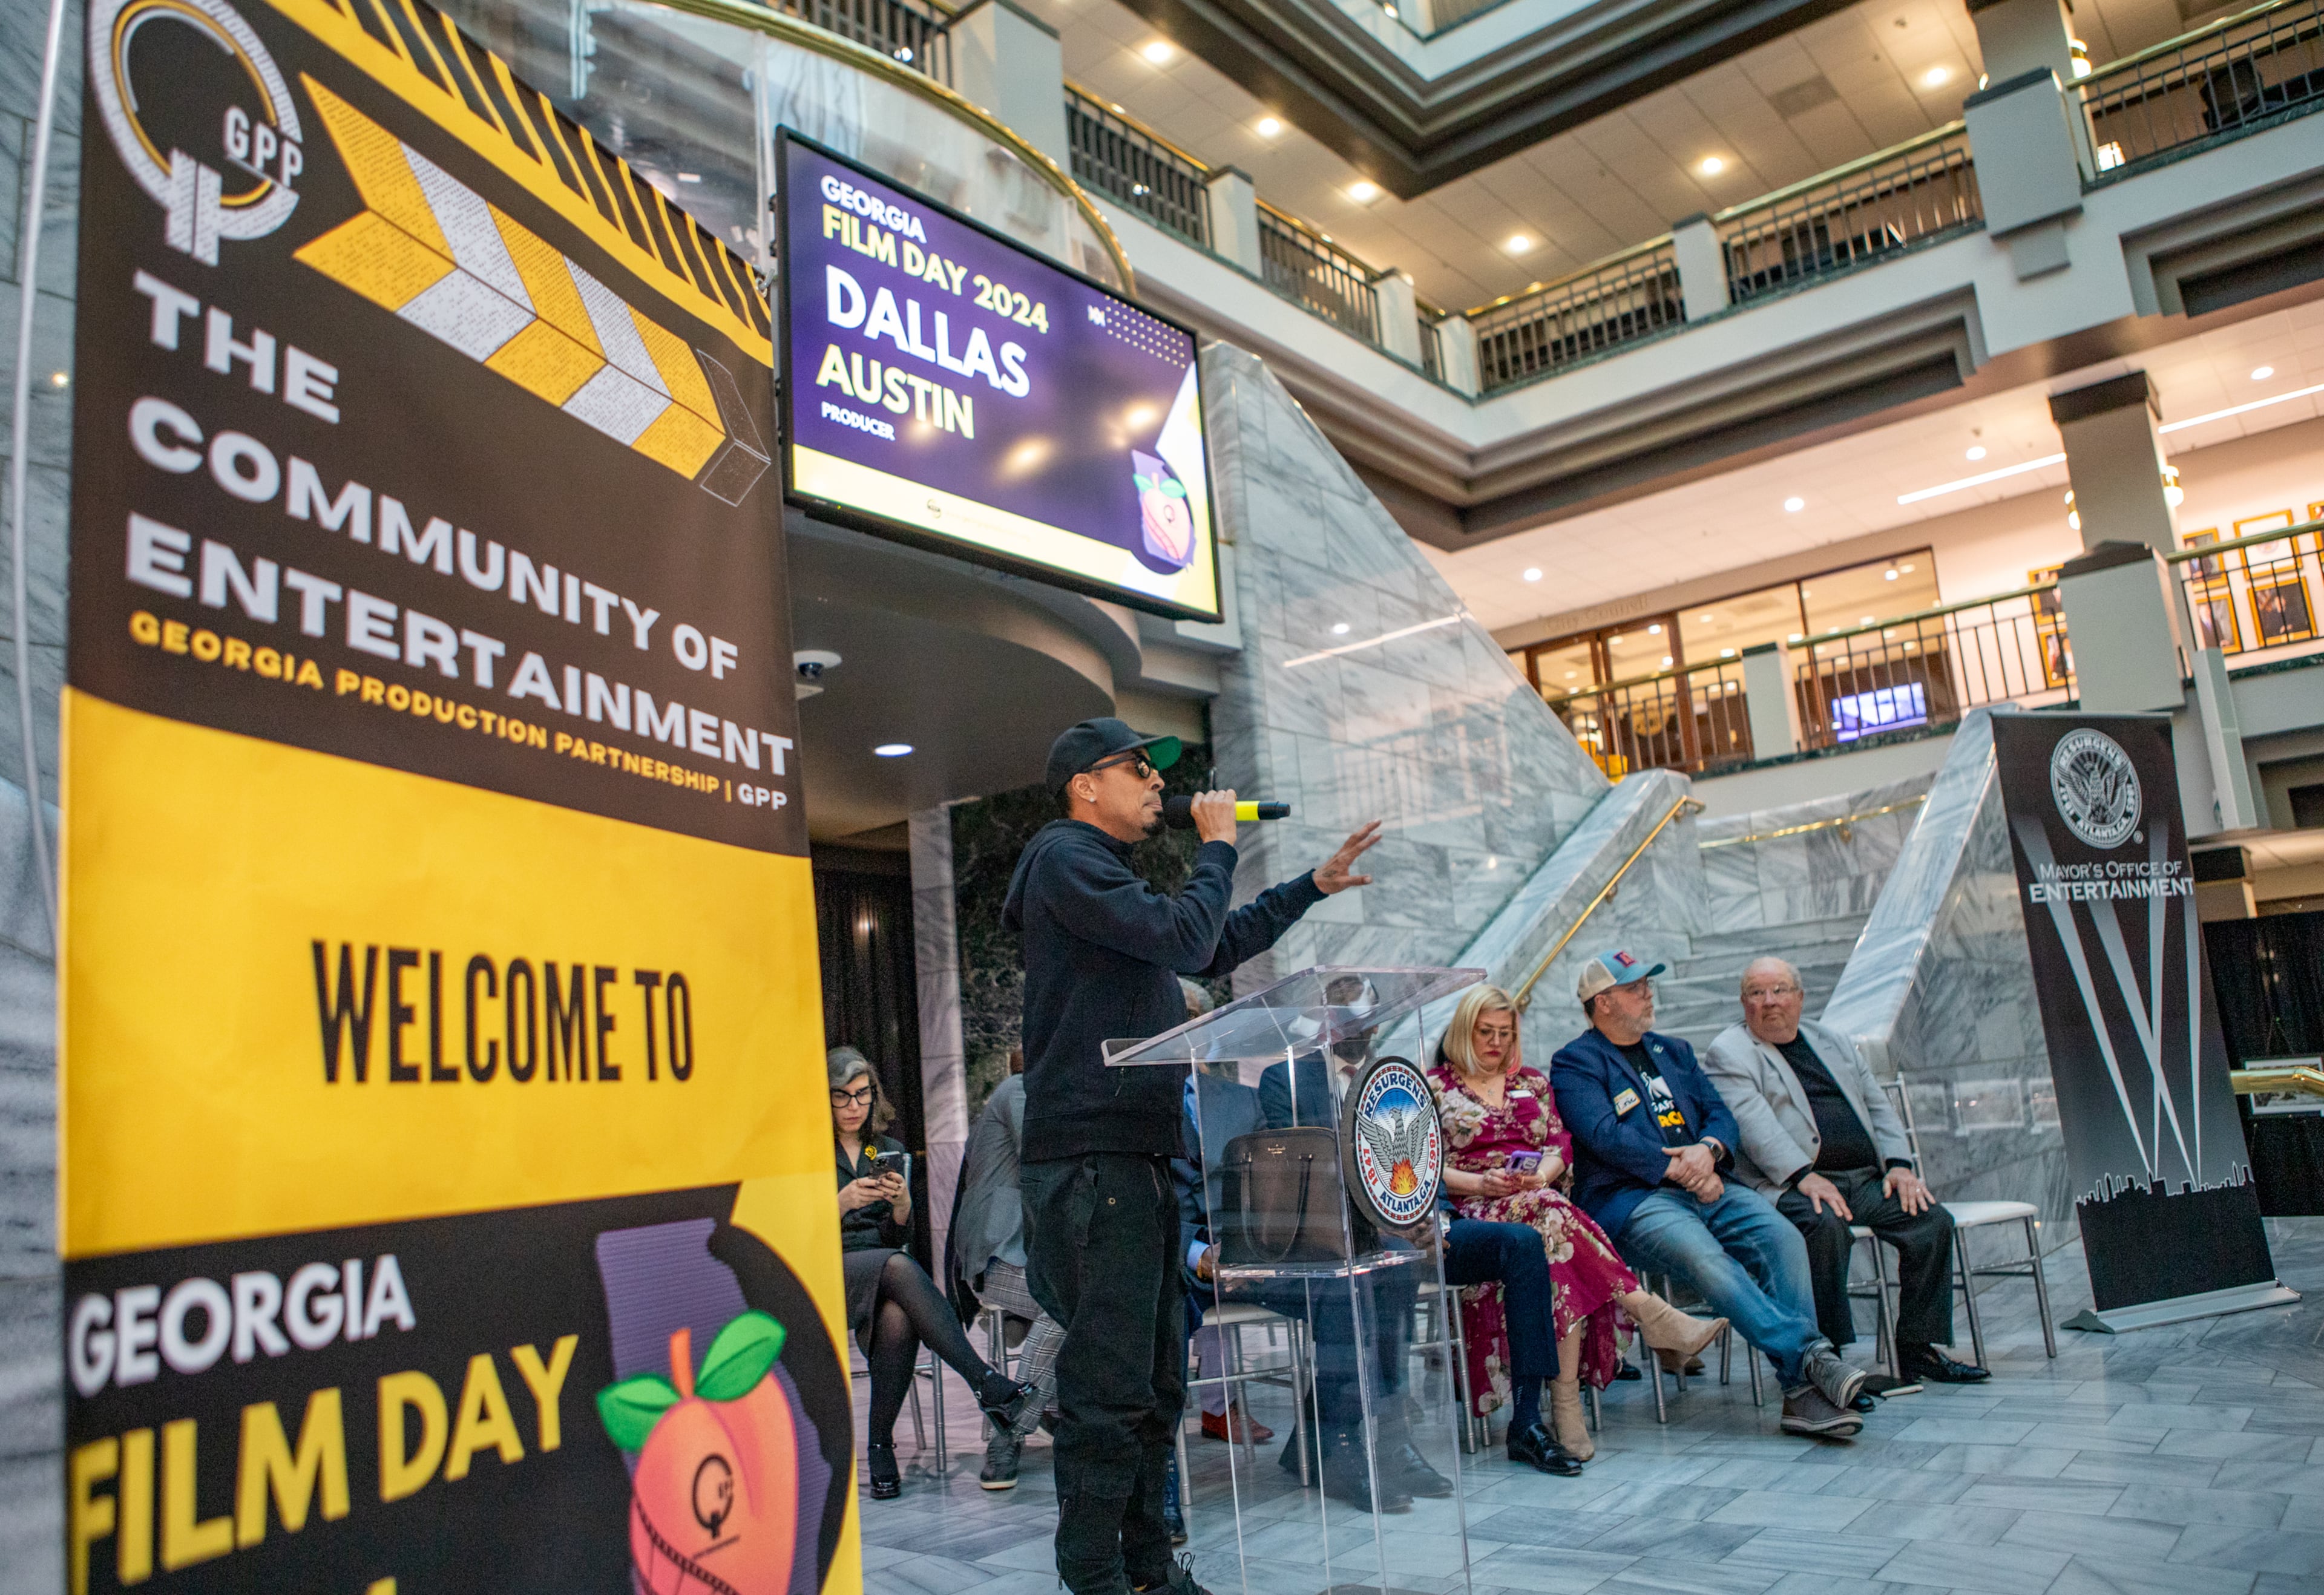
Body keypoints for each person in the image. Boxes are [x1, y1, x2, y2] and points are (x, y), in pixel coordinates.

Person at [1006, 717, 1381, 1595]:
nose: (1156, 783)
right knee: (1107, 1391)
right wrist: (1217, 847)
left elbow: (1207, 943)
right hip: (1092, 1159)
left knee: (1154, 1385)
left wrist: (1309, 887)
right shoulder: (1063, 857)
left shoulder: (1103, 876)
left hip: (1136, 1155)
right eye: (1138, 768)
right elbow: (1185, 935)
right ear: (1084, 785)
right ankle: (1094, 1576)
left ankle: (1149, 1571)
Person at [1549, 949, 1873, 1441]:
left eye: (1647, 985)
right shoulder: (1576, 1062)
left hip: (1711, 1185)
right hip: (1637, 1200)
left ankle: (1803, 1392)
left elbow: (1720, 1114)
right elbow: (1603, 1135)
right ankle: (1811, 1359)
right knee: (1706, 1259)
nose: (1648, 994)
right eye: (1635, 988)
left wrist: (1708, 1150)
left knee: (1784, 1238)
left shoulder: (1674, 1051)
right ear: (1604, 1002)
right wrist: (1680, 1169)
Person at [1256, 1030, 1589, 1482]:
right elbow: (1301, 1173)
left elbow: (1425, 1159)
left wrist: (1430, 1219)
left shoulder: (1395, 1078)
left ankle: (1528, 1422)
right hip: (1349, 1238)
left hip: (1423, 1223)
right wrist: (1387, 1227)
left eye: (1365, 1012)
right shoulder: (1289, 1080)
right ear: (1324, 1019)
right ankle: (1394, 1438)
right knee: (1397, 1261)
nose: (1357, 1024)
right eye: (1344, 1008)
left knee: (1522, 1244)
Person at [1428, 983, 1726, 1461]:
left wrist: (1541, 1177)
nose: (1497, 1042)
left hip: (1538, 1201)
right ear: (1464, 1031)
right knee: (1555, 1221)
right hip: (1475, 1208)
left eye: (1506, 1032)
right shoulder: (1434, 1088)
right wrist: (1481, 1183)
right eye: (1486, 1032)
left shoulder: (1532, 1082)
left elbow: (1560, 1146)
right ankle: (1644, 1316)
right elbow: (1424, 1165)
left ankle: (1569, 1401)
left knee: (1554, 1241)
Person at [1701, 956, 1990, 1388]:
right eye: (1757, 993)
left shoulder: (1831, 1040)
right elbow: (1753, 1124)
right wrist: (1802, 1175)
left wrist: (1899, 1166)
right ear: (1744, 1003)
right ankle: (1828, 1359)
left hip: (1864, 1179)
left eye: (1780, 990)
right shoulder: (1730, 1051)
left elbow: (1877, 1106)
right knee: (1822, 1225)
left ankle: (1917, 1349)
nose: (1770, 1001)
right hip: (1789, 1184)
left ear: (1800, 998)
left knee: (1930, 1222)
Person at [831, 1046, 1034, 1499]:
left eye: (862, 1094)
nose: (854, 1106)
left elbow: (895, 1236)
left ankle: (880, 1446)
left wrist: (902, 1205)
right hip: (828, 1267)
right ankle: (985, 1382)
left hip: (880, 1269)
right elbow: (790, 1232)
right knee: (899, 1265)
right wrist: (839, 1204)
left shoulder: (884, 1150)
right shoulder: (808, 1153)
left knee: (899, 1317)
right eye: (842, 1096)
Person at [948, 1049, 1068, 1490]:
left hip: (1023, 1253)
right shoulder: (1018, 1090)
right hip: (995, 1256)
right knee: (1066, 1304)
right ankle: (1011, 1430)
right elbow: (1046, 1163)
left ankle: (1055, 1408)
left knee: (1086, 1300)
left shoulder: (1029, 1093)